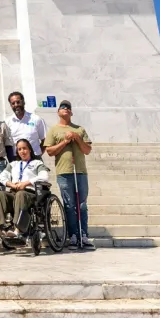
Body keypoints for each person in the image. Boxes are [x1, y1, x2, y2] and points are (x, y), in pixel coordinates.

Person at [43, 100, 95, 249]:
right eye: (62, 107)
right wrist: (65, 142)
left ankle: (83, 235)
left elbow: (87, 150)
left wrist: (77, 138)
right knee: (69, 205)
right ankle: (72, 235)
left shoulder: (79, 129)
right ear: (58, 112)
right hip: (64, 172)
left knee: (82, 205)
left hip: (80, 171)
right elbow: (50, 151)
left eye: (68, 107)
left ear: (71, 112)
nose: (65, 109)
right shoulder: (54, 130)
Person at [0, 138, 51, 243]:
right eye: (19, 149)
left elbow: (44, 176)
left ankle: (17, 230)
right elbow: (1, 177)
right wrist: (11, 184)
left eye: (24, 148)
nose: (22, 151)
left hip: (30, 194)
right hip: (14, 192)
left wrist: (25, 183)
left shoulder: (37, 163)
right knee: (0, 194)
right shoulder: (13, 164)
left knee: (20, 194)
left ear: (29, 149)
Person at [6, 91, 47, 158]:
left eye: (18, 102)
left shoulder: (36, 119)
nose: (16, 105)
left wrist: (37, 155)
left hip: (34, 157)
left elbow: (44, 140)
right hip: (16, 159)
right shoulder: (7, 122)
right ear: (11, 105)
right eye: (13, 103)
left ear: (23, 102)